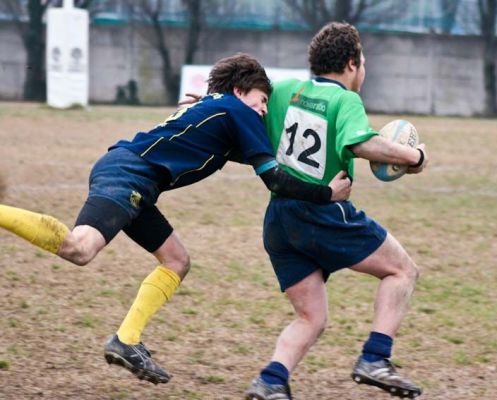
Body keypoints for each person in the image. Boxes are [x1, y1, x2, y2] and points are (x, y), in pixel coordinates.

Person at [0, 53, 351, 385]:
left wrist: (212, 104)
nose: (262, 111)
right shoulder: (234, 110)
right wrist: (326, 195)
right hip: (129, 175)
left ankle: (126, 341)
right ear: (239, 90)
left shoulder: (220, 109)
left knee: (176, 260)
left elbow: (239, 147)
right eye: (260, 101)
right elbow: (273, 178)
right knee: (80, 248)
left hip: (136, 178)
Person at [244, 22, 428, 399]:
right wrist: (414, 156)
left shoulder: (285, 91)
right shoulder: (346, 101)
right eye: (362, 62)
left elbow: (248, 109)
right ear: (350, 63)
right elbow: (363, 144)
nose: (364, 69)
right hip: (320, 213)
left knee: (311, 317)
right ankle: (375, 358)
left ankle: (270, 381)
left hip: (279, 219)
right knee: (402, 270)